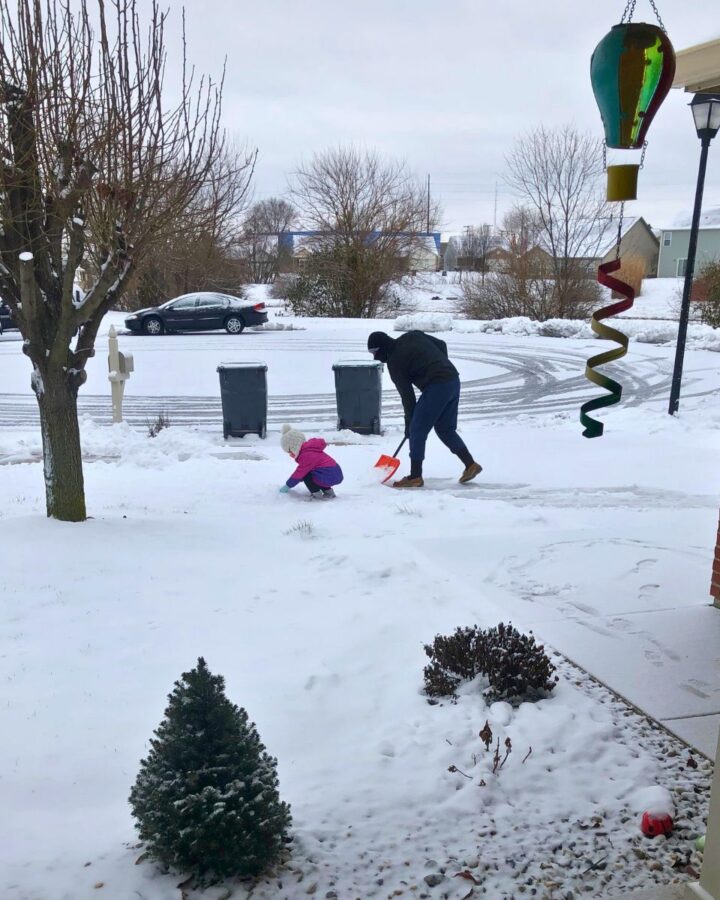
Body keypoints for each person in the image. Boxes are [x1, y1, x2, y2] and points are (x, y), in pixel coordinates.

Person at [367, 330, 481, 489]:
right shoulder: (412, 335)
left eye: (375, 352)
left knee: (417, 430)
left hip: (437, 386)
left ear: (383, 347)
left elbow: (408, 398)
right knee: (445, 429)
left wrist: (410, 426)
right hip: (453, 380)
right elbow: (442, 344)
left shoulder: (395, 363)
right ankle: (470, 465)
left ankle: (415, 476)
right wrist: (440, 366)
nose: (375, 357)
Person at [279, 424, 343, 499]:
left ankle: (316, 494)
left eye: (290, 451)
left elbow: (299, 473)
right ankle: (329, 493)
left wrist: (287, 486)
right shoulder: (309, 450)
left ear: (294, 446)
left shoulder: (306, 455)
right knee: (317, 474)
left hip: (329, 475)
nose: (290, 454)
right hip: (333, 473)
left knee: (306, 475)